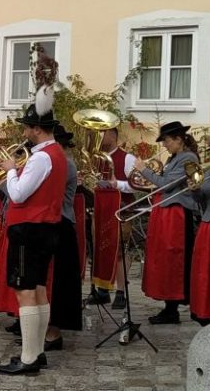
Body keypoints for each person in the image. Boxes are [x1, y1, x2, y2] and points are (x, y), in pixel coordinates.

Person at [0, 86, 66, 375]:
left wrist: (11, 169)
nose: (24, 132)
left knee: (25, 291)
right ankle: (36, 352)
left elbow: (19, 194)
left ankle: (28, 358)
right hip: (45, 228)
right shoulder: (56, 153)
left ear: (36, 129)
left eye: (26, 127)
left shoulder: (40, 157)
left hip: (28, 229)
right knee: (38, 290)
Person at [136, 121, 199, 324]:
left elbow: (167, 185)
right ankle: (169, 307)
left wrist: (144, 170)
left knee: (174, 260)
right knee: (164, 260)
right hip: (166, 212)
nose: (164, 145)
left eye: (167, 141)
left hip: (176, 215)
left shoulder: (187, 158)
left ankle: (173, 308)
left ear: (179, 139)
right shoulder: (176, 158)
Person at [42, 124, 82, 350]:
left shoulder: (64, 164)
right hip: (55, 222)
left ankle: (54, 331)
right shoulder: (58, 160)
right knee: (48, 279)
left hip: (62, 222)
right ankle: (45, 328)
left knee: (58, 280)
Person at [88, 127, 136, 309]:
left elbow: (136, 185)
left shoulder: (127, 158)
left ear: (113, 136)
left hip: (121, 210)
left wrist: (117, 184)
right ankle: (102, 290)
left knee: (119, 252)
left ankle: (121, 292)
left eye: (102, 133)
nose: (99, 136)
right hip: (100, 211)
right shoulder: (96, 158)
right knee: (100, 248)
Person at [190, 134, 210, 326]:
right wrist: (195, 189)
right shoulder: (209, 170)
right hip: (207, 226)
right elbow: (203, 201)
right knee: (204, 271)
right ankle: (204, 313)